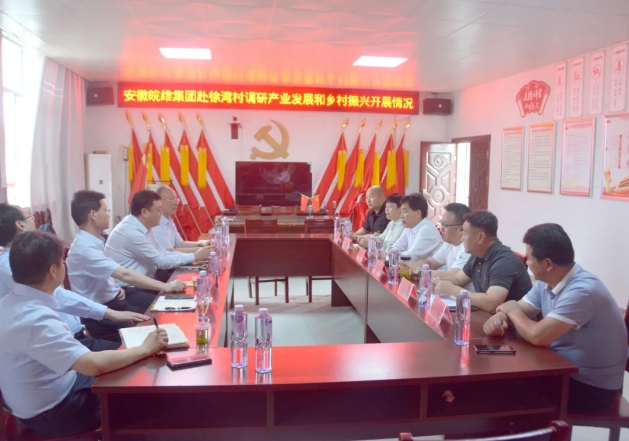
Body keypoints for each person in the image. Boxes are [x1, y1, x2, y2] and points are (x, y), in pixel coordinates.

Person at [0, 230, 168, 439]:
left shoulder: (12, 301)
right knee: (145, 394)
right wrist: (144, 348)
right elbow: (92, 365)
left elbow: (64, 297)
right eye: (62, 262)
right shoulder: (35, 319)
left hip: (48, 393)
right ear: (53, 270)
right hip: (57, 411)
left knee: (129, 366)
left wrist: (111, 315)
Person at [484, 223, 627, 412]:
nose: (526, 263)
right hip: (560, 368)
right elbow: (521, 309)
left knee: (502, 385)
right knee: (497, 374)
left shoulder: (582, 291)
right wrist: (501, 315)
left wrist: (510, 309)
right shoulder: (547, 281)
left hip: (590, 386)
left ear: (548, 264)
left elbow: (538, 336)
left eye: (529, 258)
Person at [0, 204, 147, 351]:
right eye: (30, 217)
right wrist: (110, 314)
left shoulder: (24, 259)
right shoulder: (11, 265)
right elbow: (59, 296)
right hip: (59, 342)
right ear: (20, 225)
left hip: (72, 333)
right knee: (135, 352)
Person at [68, 190, 187, 342]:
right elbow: (125, 274)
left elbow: (101, 273)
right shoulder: (84, 248)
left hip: (115, 301)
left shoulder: (92, 241)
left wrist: (114, 287)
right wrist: (166, 286)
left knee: (161, 314)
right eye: (105, 210)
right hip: (102, 317)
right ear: (93, 215)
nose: (109, 214)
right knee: (158, 328)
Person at [434, 211, 531, 313]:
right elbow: (457, 279)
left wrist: (451, 290)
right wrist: (439, 282)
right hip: (489, 317)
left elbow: (491, 304)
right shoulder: (478, 254)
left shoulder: (504, 261)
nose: (462, 238)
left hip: (509, 321)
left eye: (465, 233)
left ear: (480, 237)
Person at [104, 190, 212, 282]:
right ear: (144, 212)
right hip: (129, 289)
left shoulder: (145, 225)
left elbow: (162, 252)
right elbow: (160, 261)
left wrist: (195, 255)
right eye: (158, 210)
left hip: (147, 280)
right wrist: (194, 256)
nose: (161, 214)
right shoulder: (131, 232)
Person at [403, 202, 474, 290]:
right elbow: (430, 263)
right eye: (441, 224)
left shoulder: (467, 248)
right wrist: (407, 268)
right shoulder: (448, 244)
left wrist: (416, 271)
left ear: (461, 229)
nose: (441, 229)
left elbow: (452, 276)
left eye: (446, 225)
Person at [148, 186, 210, 253]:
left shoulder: (169, 220)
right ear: (159, 201)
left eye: (176, 199)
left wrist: (202, 244)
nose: (176, 203)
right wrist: (201, 251)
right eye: (171, 199)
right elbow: (168, 251)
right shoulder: (156, 223)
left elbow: (180, 244)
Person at [391, 193, 442, 260]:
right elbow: (397, 247)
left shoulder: (427, 229)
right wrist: (391, 252)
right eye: (401, 212)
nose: (401, 216)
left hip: (433, 267)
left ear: (418, 213)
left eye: (405, 211)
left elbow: (412, 255)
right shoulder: (409, 227)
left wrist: (391, 255)